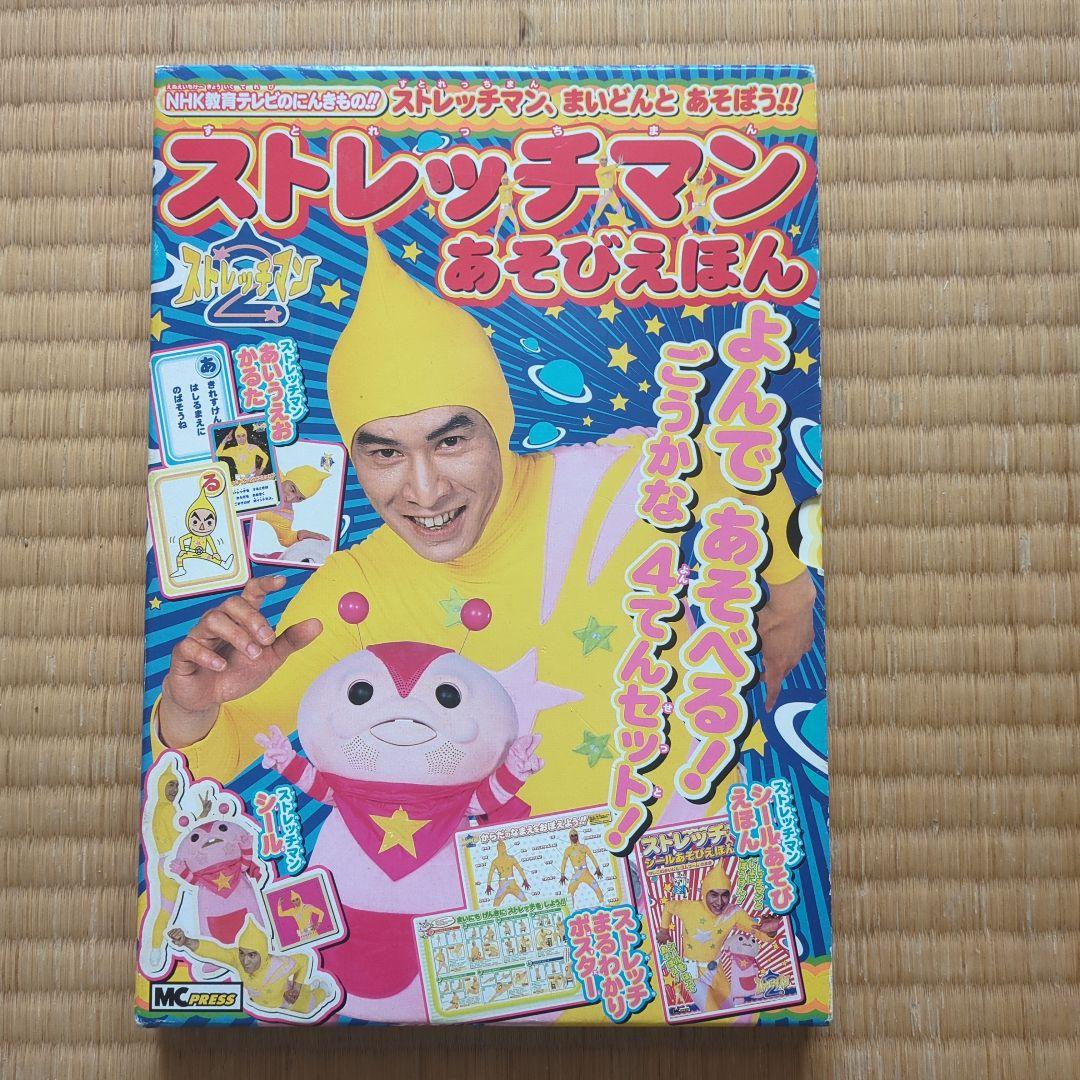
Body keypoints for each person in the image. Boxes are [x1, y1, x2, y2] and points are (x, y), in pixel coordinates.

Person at [155, 228, 815, 831]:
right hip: (514, 901)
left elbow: (741, 475)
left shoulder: (629, 480)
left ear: (498, 425)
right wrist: (192, 707)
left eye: (450, 442)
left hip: (692, 869)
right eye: (385, 453)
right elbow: (215, 762)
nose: (424, 491)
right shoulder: (358, 588)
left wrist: (786, 607)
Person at [168, 919, 330, 1018]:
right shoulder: (236, 959)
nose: (245, 961)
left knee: (311, 1006)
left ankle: (322, 989)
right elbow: (215, 951)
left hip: (288, 1003)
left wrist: (296, 988)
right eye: (242, 953)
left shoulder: (279, 965)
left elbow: (304, 959)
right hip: (263, 1009)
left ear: (263, 955)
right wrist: (186, 941)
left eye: (252, 955)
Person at [253, 465, 332, 554]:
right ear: (287, 478)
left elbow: (285, 539)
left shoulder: (285, 514)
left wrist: (299, 535)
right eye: (292, 490)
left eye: (299, 498)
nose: (290, 499)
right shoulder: (268, 468)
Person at [173, 486, 233, 579]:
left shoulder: (207, 536)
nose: (202, 527)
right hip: (191, 551)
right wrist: (183, 550)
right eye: (195, 522)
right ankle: (180, 569)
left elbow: (212, 544)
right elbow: (181, 539)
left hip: (202, 553)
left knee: (212, 558)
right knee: (179, 557)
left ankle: (223, 564)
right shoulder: (192, 534)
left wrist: (215, 553)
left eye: (208, 523)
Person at [558, 829, 604, 906]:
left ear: (578, 836)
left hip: (586, 873)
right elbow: (564, 862)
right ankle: (571, 910)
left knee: (597, 888)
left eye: (575, 835)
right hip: (577, 875)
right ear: (569, 837)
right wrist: (562, 874)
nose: (574, 837)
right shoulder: (568, 850)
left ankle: (603, 904)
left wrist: (597, 868)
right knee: (570, 892)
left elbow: (592, 857)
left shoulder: (584, 847)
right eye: (572, 836)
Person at [486, 840, 530, 907]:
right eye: (500, 846)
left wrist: (488, 885)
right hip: (510, 884)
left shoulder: (496, 861)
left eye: (501, 846)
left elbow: (490, 874)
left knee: (495, 905)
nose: (501, 848)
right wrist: (525, 880)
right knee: (525, 901)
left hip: (504, 884)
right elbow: (520, 869)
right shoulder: (510, 859)